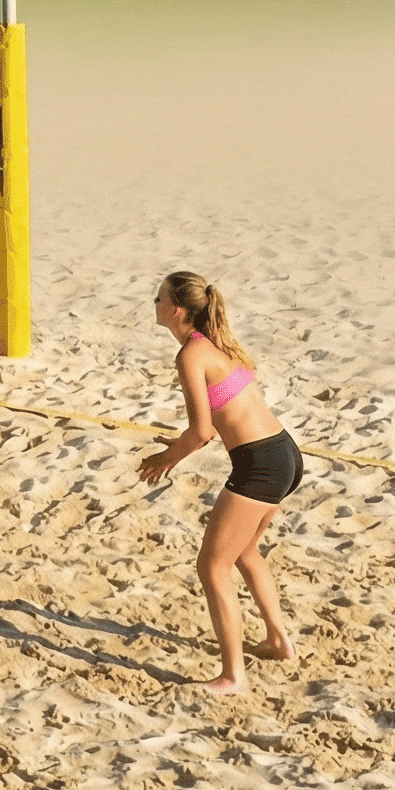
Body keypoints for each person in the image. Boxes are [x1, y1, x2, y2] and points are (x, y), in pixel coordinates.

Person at [138, 269, 302, 693]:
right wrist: (177, 444)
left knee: (212, 566)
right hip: (284, 451)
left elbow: (201, 432)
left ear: (177, 309)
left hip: (261, 465)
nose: (153, 304)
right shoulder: (211, 346)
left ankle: (233, 676)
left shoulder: (191, 354)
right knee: (245, 551)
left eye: (158, 299)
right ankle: (278, 640)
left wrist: (167, 457)